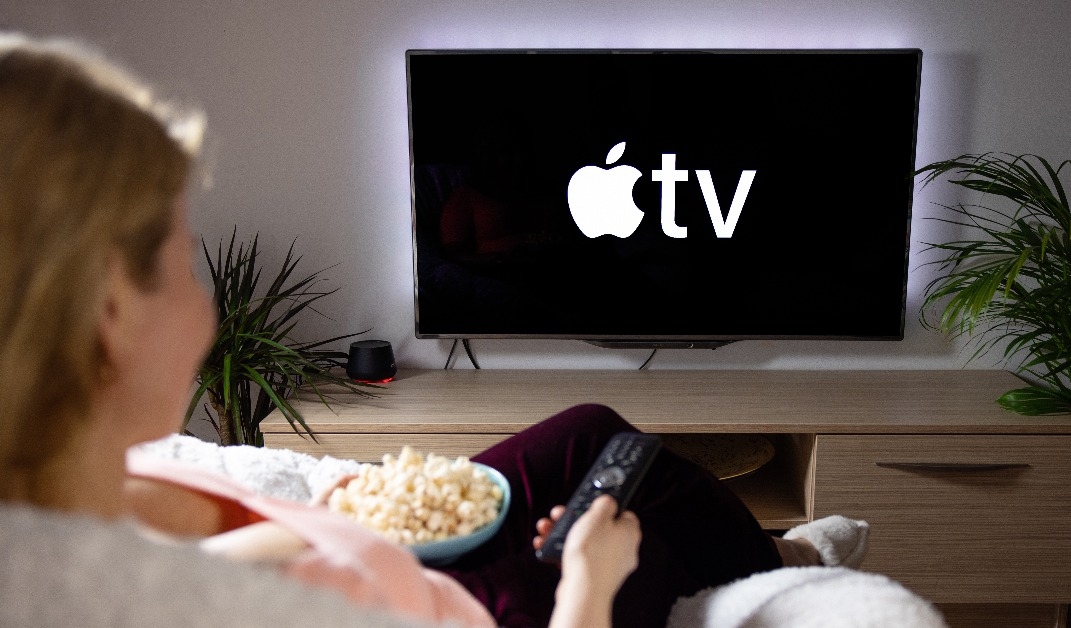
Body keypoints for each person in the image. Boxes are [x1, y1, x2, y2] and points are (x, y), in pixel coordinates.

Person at [0, 33, 869, 628]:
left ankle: (776, 547)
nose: (209, 308)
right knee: (625, 515)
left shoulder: (83, 494)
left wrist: (338, 522)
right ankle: (786, 562)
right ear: (113, 310)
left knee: (593, 437)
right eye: (186, 265)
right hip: (486, 610)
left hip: (391, 563)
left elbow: (210, 569)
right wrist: (586, 585)